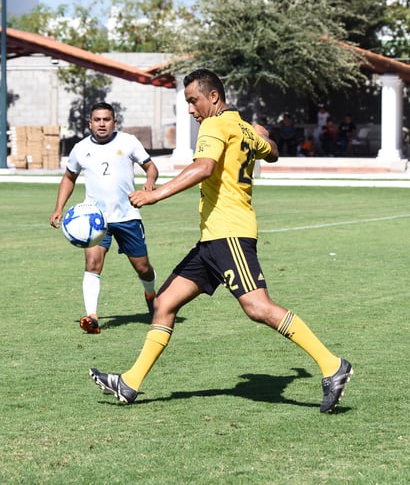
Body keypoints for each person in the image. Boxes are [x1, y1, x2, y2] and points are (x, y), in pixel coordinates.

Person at [89, 69, 353, 413]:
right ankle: (130, 382)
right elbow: (272, 152)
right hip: (212, 240)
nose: (190, 109)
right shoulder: (242, 127)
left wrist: (156, 195)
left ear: (213, 97)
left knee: (258, 307)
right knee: (165, 303)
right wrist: (264, 135)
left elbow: (203, 167)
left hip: (230, 233)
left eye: (193, 100)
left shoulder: (214, 125)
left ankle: (333, 366)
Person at [50, 102, 158, 334]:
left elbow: (151, 167)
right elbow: (69, 178)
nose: (101, 124)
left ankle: (150, 293)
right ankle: (92, 317)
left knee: (143, 268)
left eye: (106, 119)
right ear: (90, 123)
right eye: (97, 120)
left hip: (127, 216)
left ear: (114, 122)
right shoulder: (80, 148)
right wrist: (59, 207)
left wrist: (149, 182)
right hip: (95, 219)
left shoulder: (128, 142)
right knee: (92, 265)